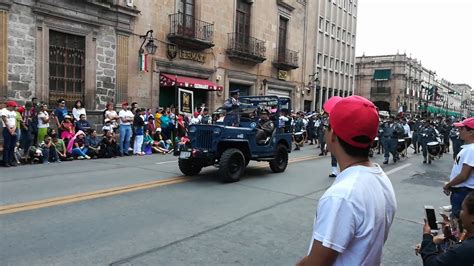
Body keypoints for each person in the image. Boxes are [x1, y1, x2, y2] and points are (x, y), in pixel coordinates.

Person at [296, 96, 397, 266]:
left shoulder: (342, 196)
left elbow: (316, 263)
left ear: (333, 134)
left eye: (326, 126)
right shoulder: (380, 178)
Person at [418, 191, 474, 265]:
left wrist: (427, 237)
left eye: (462, 209)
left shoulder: (466, 249)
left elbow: (432, 264)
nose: (459, 213)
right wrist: (450, 236)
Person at [443, 117, 474, 231]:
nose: (459, 132)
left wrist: (448, 185)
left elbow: (463, 176)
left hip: (463, 193)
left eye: (462, 129)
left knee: (458, 225)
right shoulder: (468, 148)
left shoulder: (472, 149)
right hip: (460, 191)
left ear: (471, 131)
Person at [1, 101, 18, 167]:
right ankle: (5, 161)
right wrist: (10, 130)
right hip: (7, 129)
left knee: (12, 146)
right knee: (7, 146)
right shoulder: (4, 111)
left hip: (13, 129)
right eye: (13, 107)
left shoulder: (13, 112)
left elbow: (15, 121)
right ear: (9, 106)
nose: (14, 108)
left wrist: (14, 129)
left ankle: (11, 161)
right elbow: (5, 120)